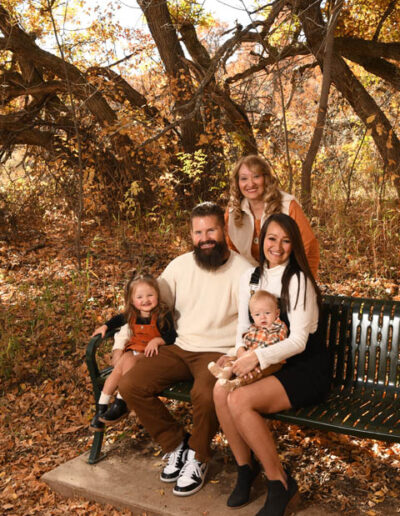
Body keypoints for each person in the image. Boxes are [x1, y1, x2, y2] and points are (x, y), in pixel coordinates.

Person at [107, 202, 250, 497]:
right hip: (178, 346)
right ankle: (176, 444)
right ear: (191, 235)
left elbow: (251, 324)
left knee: (205, 394)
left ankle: (198, 458)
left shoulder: (244, 270)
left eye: (211, 229)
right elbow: (144, 305)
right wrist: (121, 343)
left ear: (223, 229)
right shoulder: (179, 266)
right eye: (198, 232)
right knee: (131, 383)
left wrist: (236, 356)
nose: (205, 237)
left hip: (218, 352)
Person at [213, 213, 330, 515]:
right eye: (271, 238)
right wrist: (240, 353)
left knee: (238, 399)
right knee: (219, 390)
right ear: (261, 240)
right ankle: (245, 469)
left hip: (303, 367)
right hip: (265, 358)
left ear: (293, 245)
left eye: (286, 240)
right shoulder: (250, 278)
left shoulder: (299, 279)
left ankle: (280, 482)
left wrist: (255, 358)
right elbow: (243, 327)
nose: (277, 246)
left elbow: (299, 342)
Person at [90, 274, 176, 431]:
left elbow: (171, 337)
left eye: (150, 295)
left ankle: (120, 403)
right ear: (132, 301)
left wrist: (157, 340)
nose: (145, 300)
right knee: (118, 370)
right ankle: (101, 409)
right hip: (135, 350)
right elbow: (117, 320)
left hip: (153, 355)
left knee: (129, 363)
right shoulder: (132, 314)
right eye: (140, 297)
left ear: (157, 294)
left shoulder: (162, 314)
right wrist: (105, 326)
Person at [225, 154, 320, 277]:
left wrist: (302, 282)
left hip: (287, 278)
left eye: (256, 176)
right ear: (237, 183)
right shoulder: (232, 210)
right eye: (244, 178)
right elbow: (232, 254)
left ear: (266, 178)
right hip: (249, 280)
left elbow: (309, 247)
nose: (250, 183)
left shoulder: (288, 205)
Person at [207, 290, 287, 391]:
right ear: (252, 316)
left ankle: (237, 383)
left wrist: (253, 353)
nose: (262, 317)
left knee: (257, 371)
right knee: (232, 358)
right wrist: (241, 353)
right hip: (251, 356)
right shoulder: (254, 328)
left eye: (267, 313)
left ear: (277, 313)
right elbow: (246, 341)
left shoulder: (278, 326)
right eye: (257, 315)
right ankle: (226, 372)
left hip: (271, 360)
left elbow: (275, 342)